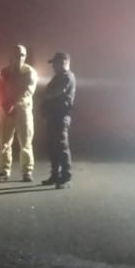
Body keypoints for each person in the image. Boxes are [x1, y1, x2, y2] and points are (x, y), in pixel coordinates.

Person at [0, 44, 37, 182]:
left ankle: (27, 171)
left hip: (23, 110)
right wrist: (4, 104)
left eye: (22, 55)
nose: (20, 58)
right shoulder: (4, 72)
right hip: (6, 109)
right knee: (4, 142)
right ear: (11, 57)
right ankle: (4, 171)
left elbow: (28, 90)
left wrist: (13, 104)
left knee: (26, 142)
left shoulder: (30, 72)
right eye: (17, 55)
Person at [40, 51, 76, 189]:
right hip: (54, 115)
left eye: (55, 63)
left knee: (62, 146)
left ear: (64, 62)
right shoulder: (58, 77)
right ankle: (55, 174)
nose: (53, 66)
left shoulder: (67, 77)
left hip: (61, 116)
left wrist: (46, 96)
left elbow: (55, 92)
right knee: (53, 146)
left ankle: (66, 176)